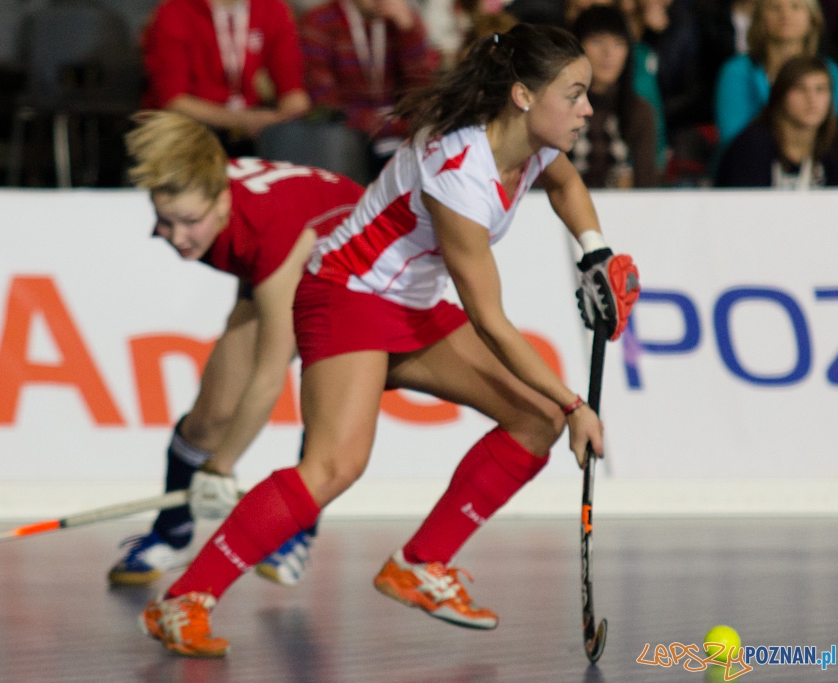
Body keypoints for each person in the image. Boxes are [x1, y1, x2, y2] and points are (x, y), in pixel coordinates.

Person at [139, 24, 640, 658]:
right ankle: (185, 602)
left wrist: (594, 254)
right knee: (334, 466)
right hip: (345, 294)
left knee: (532, 419)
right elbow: (488, 318)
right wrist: (575, 405)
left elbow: (566, 187)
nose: (587, 109)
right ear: (521, 95)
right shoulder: (460, 171)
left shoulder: (531, 142)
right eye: (574, 94)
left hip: (405, 304)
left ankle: (420, 564)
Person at [107, 111, 364, 587]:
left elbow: (270, 378)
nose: (175, 237)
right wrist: (213, 459)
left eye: (188, 222)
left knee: (325, 406)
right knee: (211, 415)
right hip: (284, 260)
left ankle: (299, 532)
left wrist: (220, 469)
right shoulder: (218, 203)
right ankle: (173, 531)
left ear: (222, 200)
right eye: (163, 221)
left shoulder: (273, 234)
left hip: (354, 269)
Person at [140, 0, 312, 157]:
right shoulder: (175, 11)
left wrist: (286, 115)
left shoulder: (272, 8)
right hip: (190, 133)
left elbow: (293, 91)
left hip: (252, 132)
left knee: (303, 141)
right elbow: (173, 101)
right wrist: (242, 120)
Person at [299, 0, 440, 173]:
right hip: (348, 143)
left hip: (401, 142)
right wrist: (398, 125)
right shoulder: (318, 22)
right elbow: (326, 107)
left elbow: (424, 96)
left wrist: (408, 32)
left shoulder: (403, 20)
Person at [714, 0, 838, 149]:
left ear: (812, 18)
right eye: (775, 7)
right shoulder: (736, 72)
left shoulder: (829, 70)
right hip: (751, 163)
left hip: (817, 164)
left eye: (795, 6)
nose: (785, 15)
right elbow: (733, 139)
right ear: (760, 18)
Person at [570, 6, 659, 186]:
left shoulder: (639, 111)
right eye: (597, 41)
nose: (608, 53)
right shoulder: (557, 107)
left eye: (618, 43)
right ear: (577, 47)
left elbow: (646, 187)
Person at [716, 54, 838, 185]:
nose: (812, 99)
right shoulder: (751, 146)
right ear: (780, 95)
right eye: (800, 89)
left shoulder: (833, 146)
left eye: (820, 89)